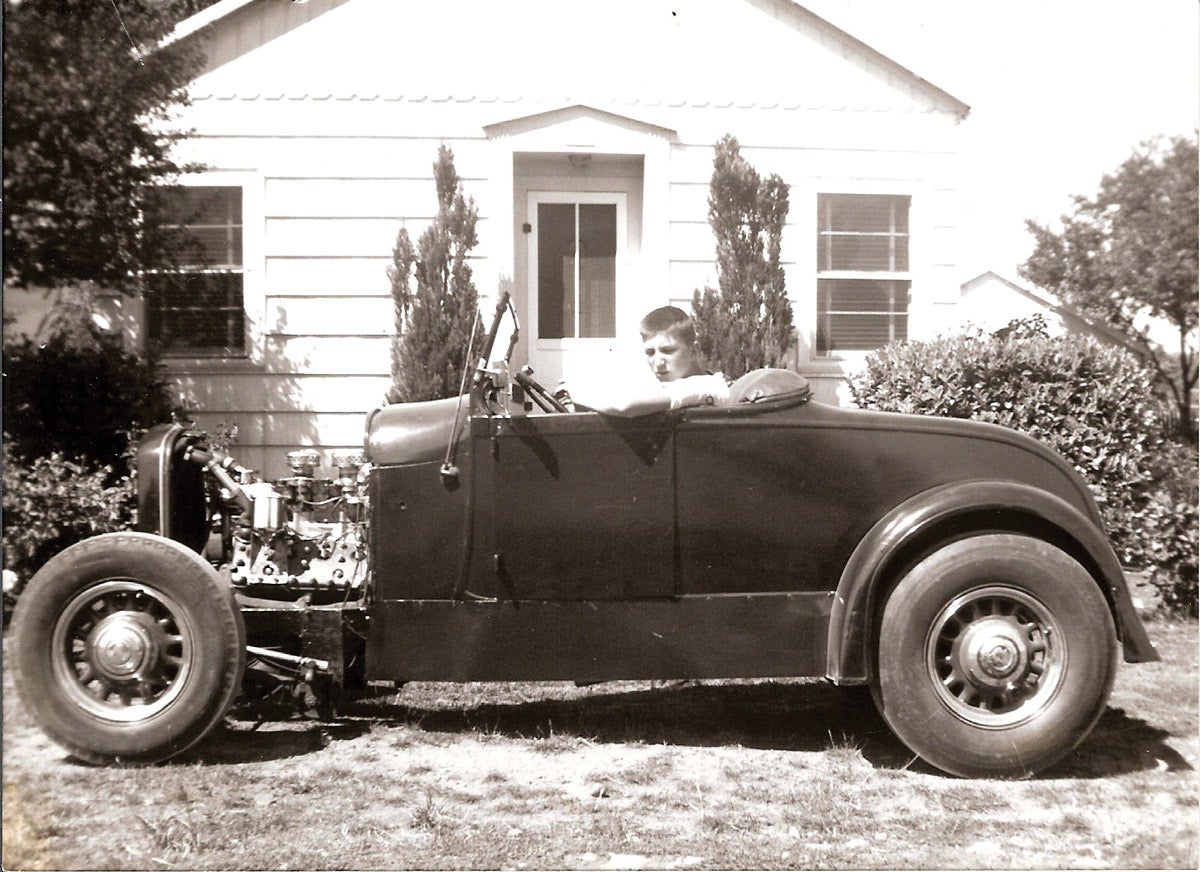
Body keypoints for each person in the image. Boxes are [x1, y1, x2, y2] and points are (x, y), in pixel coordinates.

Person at [563, 306, 729, 417]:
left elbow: (625, 405)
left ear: (694, 351)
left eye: (667, 351)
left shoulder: (708, 386)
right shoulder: (672, 385)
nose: (658, 362)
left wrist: (573, 391)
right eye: (650, 352)